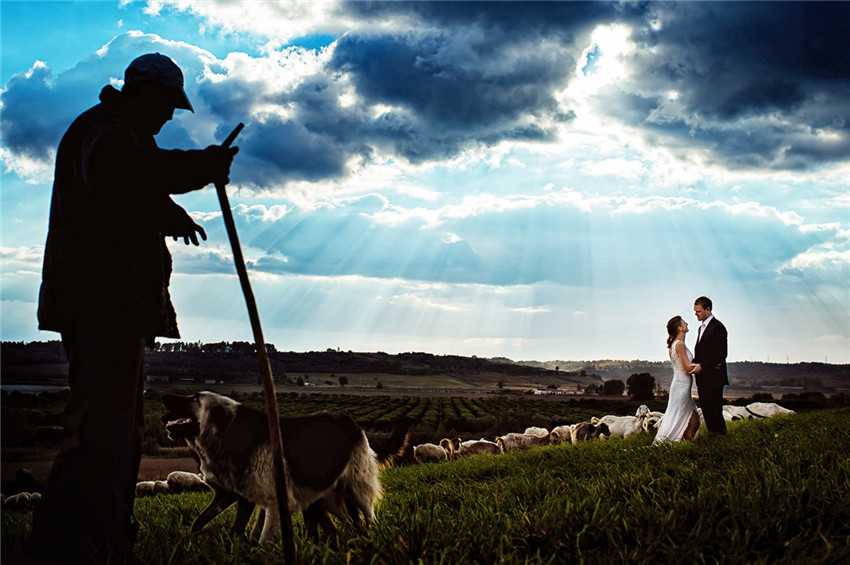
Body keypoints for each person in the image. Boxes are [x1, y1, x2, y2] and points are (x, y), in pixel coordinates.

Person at [26, 53, 237, 564]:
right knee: (101, 430)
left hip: (110, 306)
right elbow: (122, 173)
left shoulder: (116, 133)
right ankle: (81, 545)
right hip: (103, 305)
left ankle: (94, 539)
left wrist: (168, 211)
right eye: (167, 105)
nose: (169, 117)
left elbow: (126, 195)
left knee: (112, 430)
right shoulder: (105, 132)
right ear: (144, 95)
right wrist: (201, 165)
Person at [654, 315, 701, 443]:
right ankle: (679, 444)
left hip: (681, 385)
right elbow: (686, 368)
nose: (687, 324)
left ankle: (681, 443)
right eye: (684, 322)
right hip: (682, 385)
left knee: (689, 418)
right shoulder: (679, 344)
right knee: (690, 419)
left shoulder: (676, 344)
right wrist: (702, 366)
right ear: (679, 327)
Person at [692, 296, 729, 436]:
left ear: (708, 309)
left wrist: (702, 365)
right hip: (703, 376)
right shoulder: (700, 328)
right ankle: (713, 436)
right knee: (706, 408)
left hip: (714, 376)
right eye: (695, 311)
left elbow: (721, 354)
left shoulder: (718, 327)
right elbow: (702, 353)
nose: (696, 314)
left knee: (714, 409)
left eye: (698, 311)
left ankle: (720, 436)